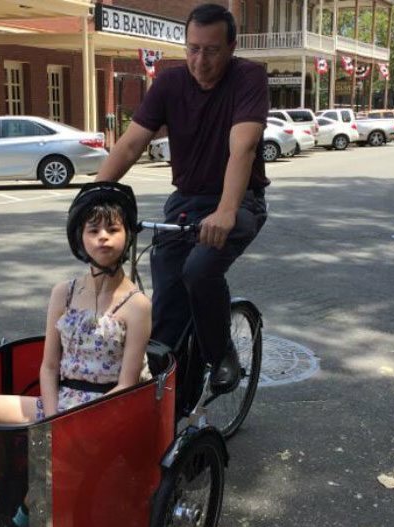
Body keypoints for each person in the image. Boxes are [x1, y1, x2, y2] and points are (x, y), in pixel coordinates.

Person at [0, 182, 152, 527]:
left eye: (113, 229)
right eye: (93, 230)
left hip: (101, 412)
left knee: (52, 457)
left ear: (127, 235)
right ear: (79, 237)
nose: (103, 237)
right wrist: (52, 416)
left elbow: (128, 383)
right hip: (58, 403)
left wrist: (70, 426)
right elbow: (49, 366)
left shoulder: (137, 304)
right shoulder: (63, 292)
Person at [96, 3, 269, 393]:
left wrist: (226, 211)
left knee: (200, 270)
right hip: (187, 202)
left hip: (239, 201)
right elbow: (130, 144)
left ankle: (221, 351)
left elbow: (242, 147)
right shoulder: (170, 83)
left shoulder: (248, 77)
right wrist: (93, 196)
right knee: (168, 300)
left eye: (211, 50)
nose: (200, 60)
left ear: (231, 47)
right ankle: (167, 395)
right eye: (193, 48)